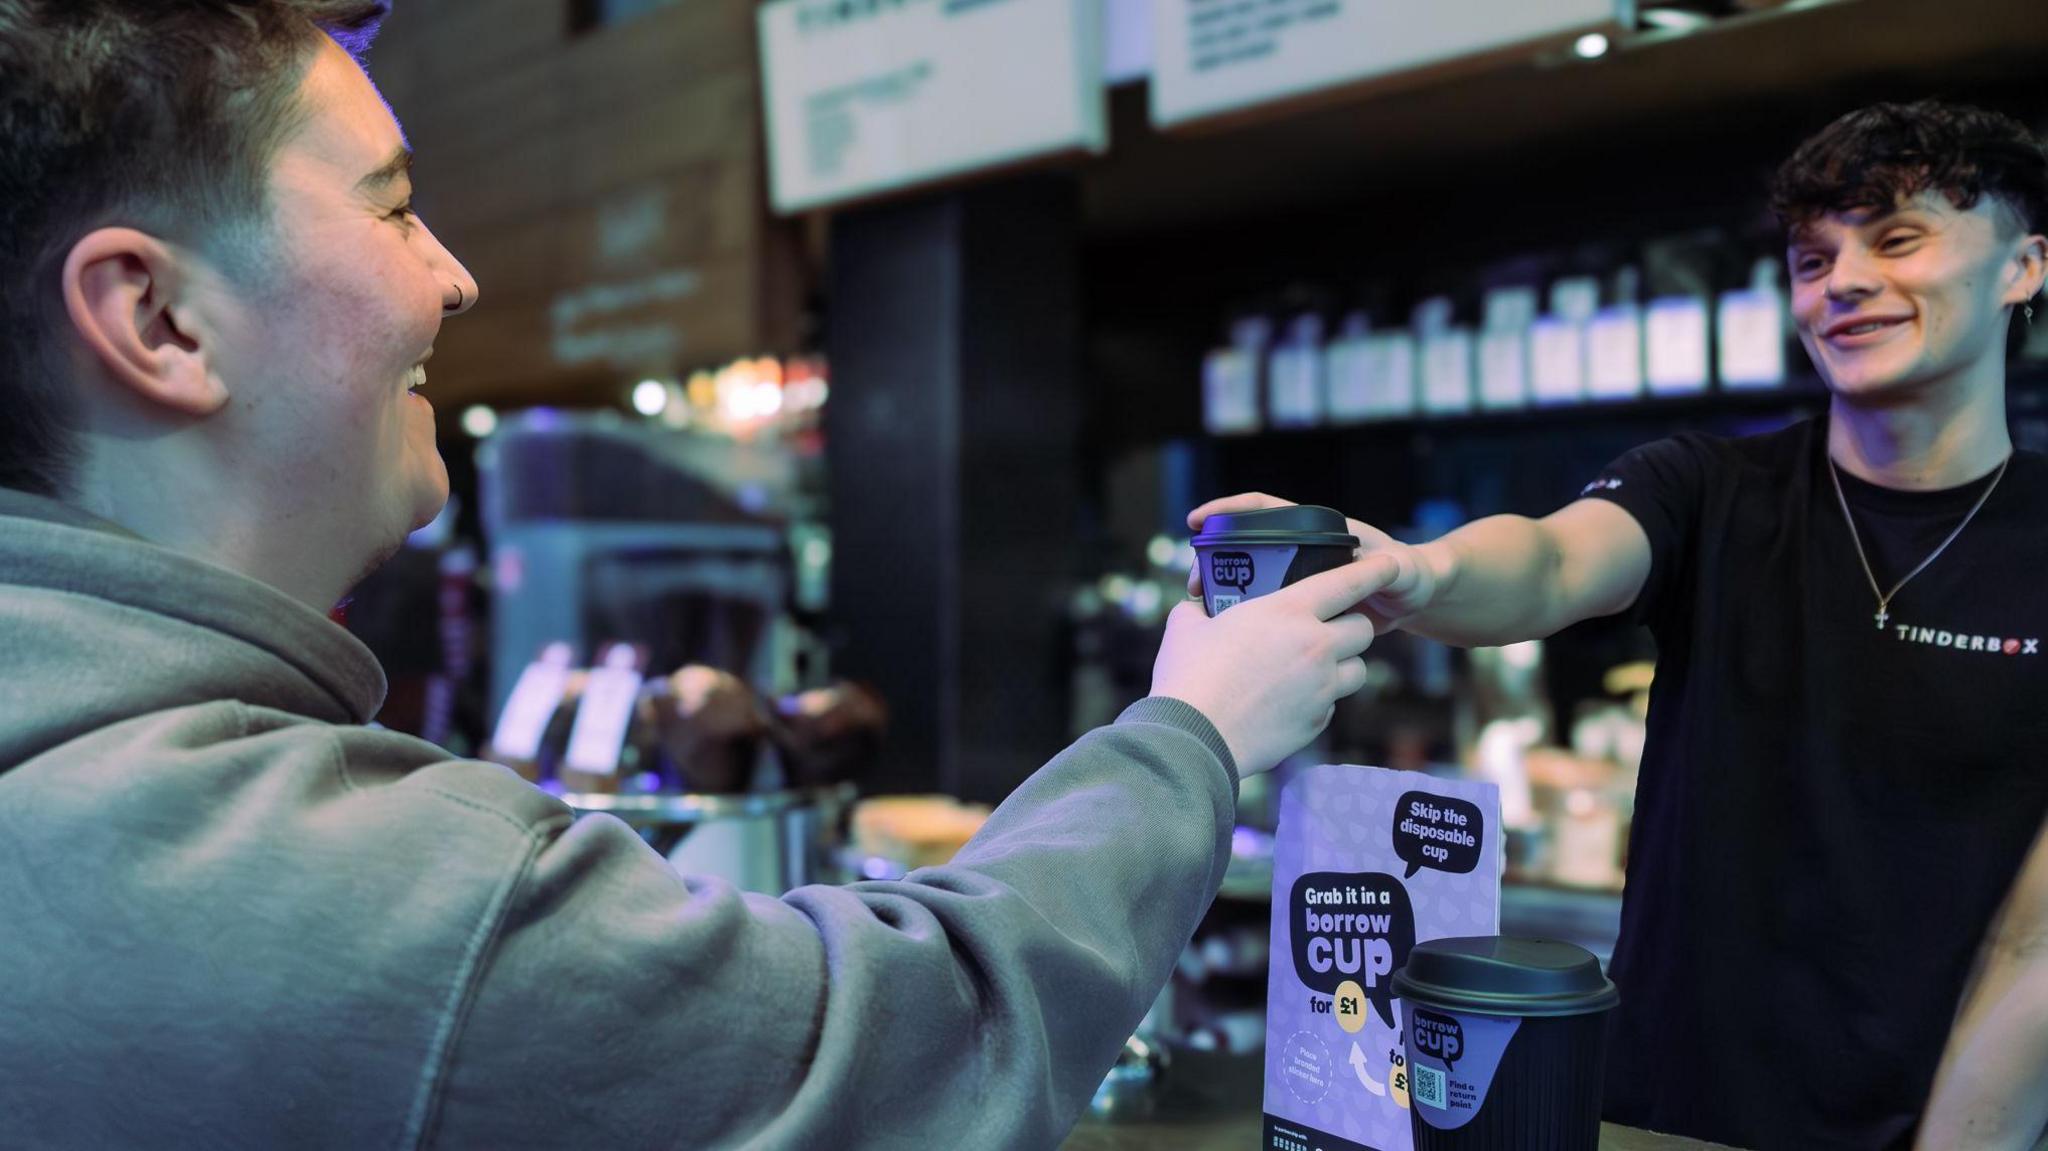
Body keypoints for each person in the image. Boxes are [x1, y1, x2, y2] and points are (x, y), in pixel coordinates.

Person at [0, 3, 1395, 1148]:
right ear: (158, 314)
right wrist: (1195, 732)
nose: (456, 276)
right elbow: (933, 1045)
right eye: (398, 208)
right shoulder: (359, 893)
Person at [1195, 99, 2048, 1150]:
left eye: (1895, 238)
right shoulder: (1709, 487)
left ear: (2022, 266)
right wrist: (1421, 570)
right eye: (1810, 258)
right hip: (1661, 1120)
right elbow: (1552, 560)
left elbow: (2038, 940)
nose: (1845, 281)